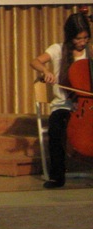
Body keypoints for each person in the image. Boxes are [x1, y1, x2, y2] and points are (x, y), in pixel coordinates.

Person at [29, 12, 91, 188]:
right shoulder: (57, 49)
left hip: (88, 106)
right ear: (70, 36)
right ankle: (57, 176)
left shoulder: (91, 51)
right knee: (56, 128)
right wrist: (45, 71)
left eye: (86, 38)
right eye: (78, 39)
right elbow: (35, 61)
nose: (83, 42)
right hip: (64, 104)